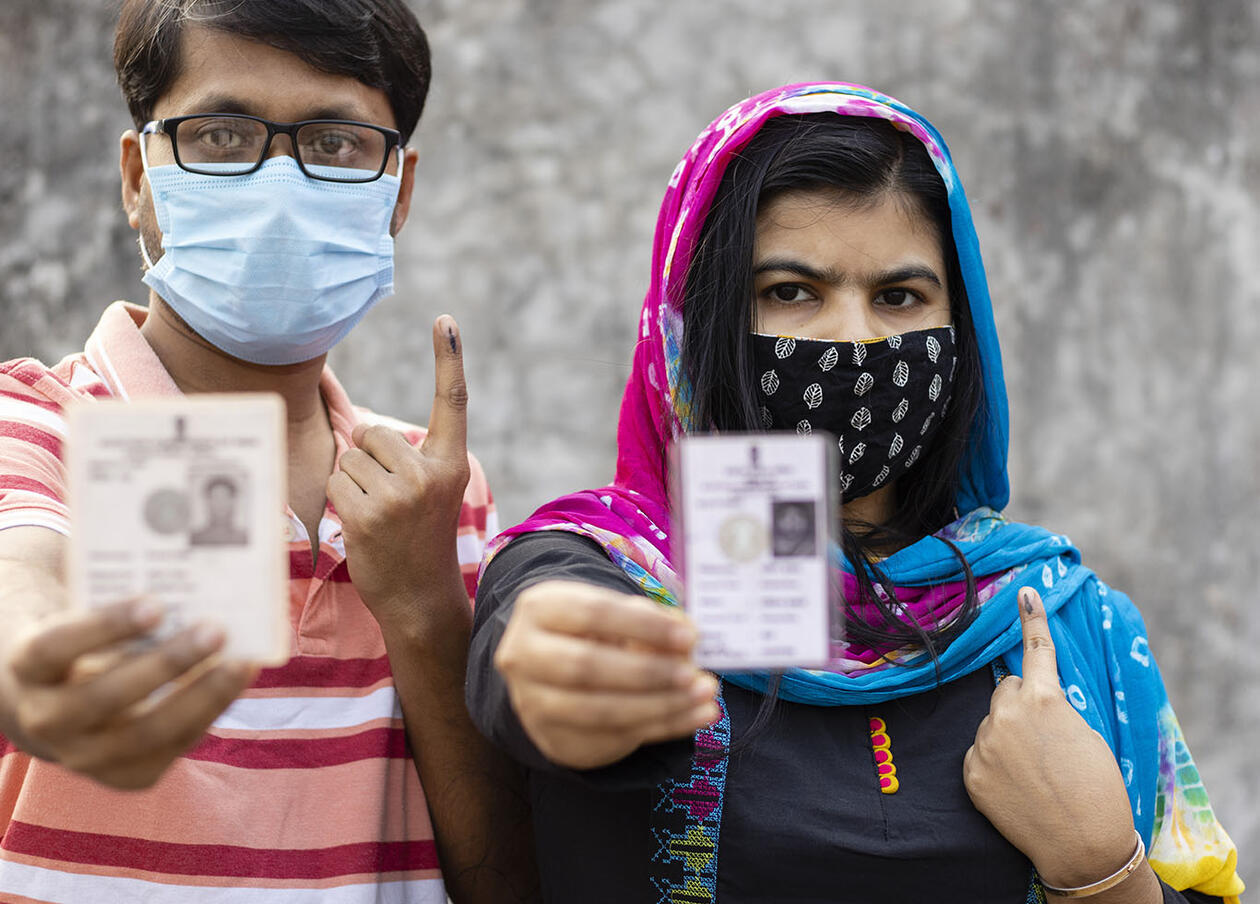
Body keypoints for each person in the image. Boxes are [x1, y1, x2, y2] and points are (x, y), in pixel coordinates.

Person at [465, 84, 1244, 903]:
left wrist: (1099, 867)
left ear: (961, 324)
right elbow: (536, 649)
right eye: (791, 292)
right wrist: (560, 666)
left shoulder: (1061, 621)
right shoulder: (600, 571)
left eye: (899, 297)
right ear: (699, 319)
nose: (854, 338)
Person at [0, 2, 536, 902]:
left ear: (397, 192)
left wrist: (422, 607)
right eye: (219, 135)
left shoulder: (437, 487)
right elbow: (24, 573)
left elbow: (504, 875)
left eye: (334, 143)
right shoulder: (36, 422)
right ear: (139, 178)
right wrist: (43, 660)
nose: (278, 184)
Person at [189, 475, 249, 546]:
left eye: (225, 498)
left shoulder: (243, 538)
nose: (220, 504)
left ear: (233, 502)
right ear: (207, 502)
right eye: (216, 498)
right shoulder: (195, 538)